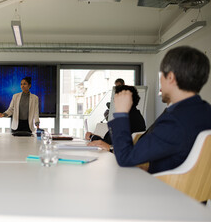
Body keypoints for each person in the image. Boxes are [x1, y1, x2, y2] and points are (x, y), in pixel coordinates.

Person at [107, 46, 211, 174]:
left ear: (171, 77)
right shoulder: (205, 112)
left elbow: (125, 158)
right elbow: (179, 160)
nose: (160, 82)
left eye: (161, 75)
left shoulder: (174, 121)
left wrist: (121, 113)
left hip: (166, 190)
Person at [87, 85, 146, 151]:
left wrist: (91, 137)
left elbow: (107, 144)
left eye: (116, 98)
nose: (114, 101)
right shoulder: (136, 116)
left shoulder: (124, 120)